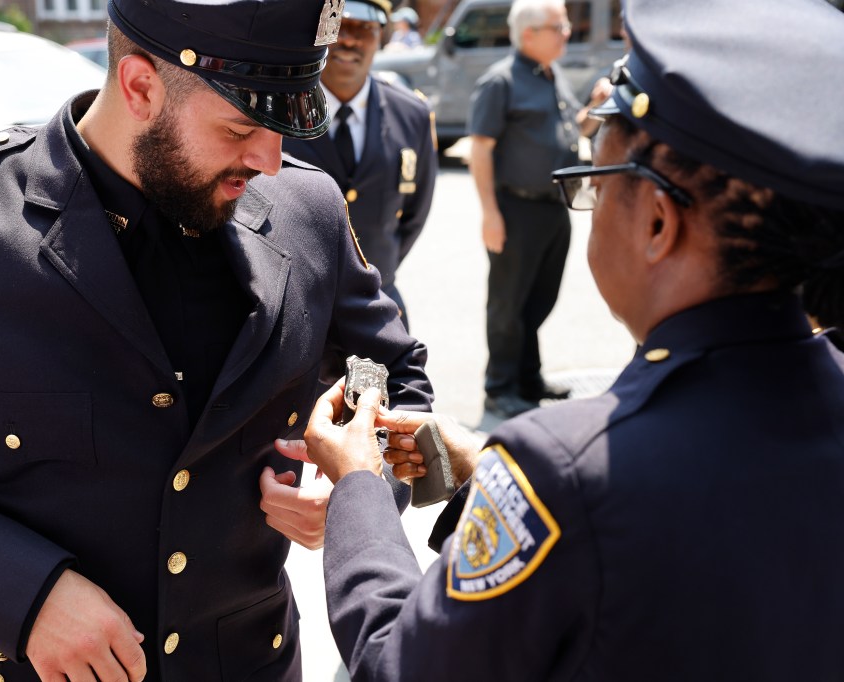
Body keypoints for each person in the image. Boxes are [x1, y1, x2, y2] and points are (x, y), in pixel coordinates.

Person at [0, 1, 435, 680]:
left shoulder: (305, 208)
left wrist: (359, 484)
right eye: (240, 127)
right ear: (140, 85)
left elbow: (387, 370)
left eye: (284, 128)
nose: (269, 159)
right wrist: (26, 596)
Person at [282, 0, 844, 677]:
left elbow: (395, 666)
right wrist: (486, 485)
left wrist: (359, 487)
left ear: (658, 224)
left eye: (596, 185)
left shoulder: (562, 469)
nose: (591, 214)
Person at [468, 0, 596, 419]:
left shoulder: (550, 74)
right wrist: (490, 213)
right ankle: (500, 388)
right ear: (529, 35)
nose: (567, 32)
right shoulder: (500, 82)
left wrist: (593, 109)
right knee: (508, 304)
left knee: (538, 300)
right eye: (558, 26)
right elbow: (480, 150)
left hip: (553, 207)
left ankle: (528, 377)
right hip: (515, 208)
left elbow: (573, 127)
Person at [283, 0, 438, 328]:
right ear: (320, 31)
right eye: (339, 26)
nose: (350, 40)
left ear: (382, 34)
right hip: (294, 310)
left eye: (365, 29)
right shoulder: (278, 108)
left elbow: (413, 215)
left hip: (379, 308)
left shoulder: (411, 115)